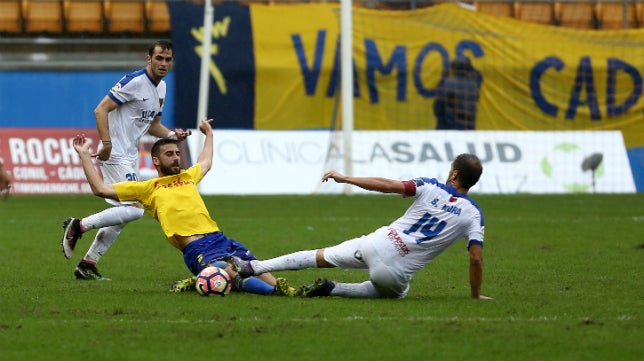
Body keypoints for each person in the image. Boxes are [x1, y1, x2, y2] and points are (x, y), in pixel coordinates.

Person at [69, 118, 295, 297]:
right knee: (228, 272)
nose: (176, 158)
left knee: (255, 266)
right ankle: (273, 292)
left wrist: (209, 135)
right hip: (197, 249)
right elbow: (100, 188)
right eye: (169, 155)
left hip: (220, 238)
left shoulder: (188, 176)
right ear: (156, 161)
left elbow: (205, 163)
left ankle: (286, 291)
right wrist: (84, 156)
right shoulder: (146, 188)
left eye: (177, 153)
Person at [233, 154, 492, 300]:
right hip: (393, 272)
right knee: (399, 294)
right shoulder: (473, 214)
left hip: (375, 243)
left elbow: (388, 185)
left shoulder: (429, 186)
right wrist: (475, 294)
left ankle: (254, 266)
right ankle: (335, 289)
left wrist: (346, 178)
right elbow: (476, 258)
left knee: (317, 256)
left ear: (455, 174)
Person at [61, 40, 191, 280]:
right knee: (135, 209)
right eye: (159, 58)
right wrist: (107, 143)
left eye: (168, 59)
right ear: (149, 59)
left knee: (123, 215)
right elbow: (100, 110)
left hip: (129, 156)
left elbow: (153, 126)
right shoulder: (134, 81)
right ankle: (78, 226)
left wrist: (174, 135)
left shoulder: (161, 88)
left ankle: (88, 264)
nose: (163, 63)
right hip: (114, 152)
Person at [433, 56, 482, 130]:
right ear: (468, 69)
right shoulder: (474, 85)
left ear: (453, 68)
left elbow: (437, 108)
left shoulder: (446, 84)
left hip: (449, 128)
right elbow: (478, 76)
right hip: (468, 128)